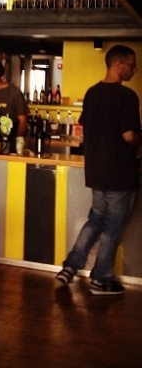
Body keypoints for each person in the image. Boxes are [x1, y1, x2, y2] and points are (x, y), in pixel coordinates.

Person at [56, 45, 140, 295]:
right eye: (132, 64)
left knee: (95, 220)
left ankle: (70, 267)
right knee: (112, 227)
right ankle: (101, 279)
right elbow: (128, 136)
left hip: (96, 170)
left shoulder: (92, 93)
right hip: (119, 171)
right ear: (118, 65)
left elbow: (85, 129)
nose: (135, 69)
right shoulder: (127, 96)